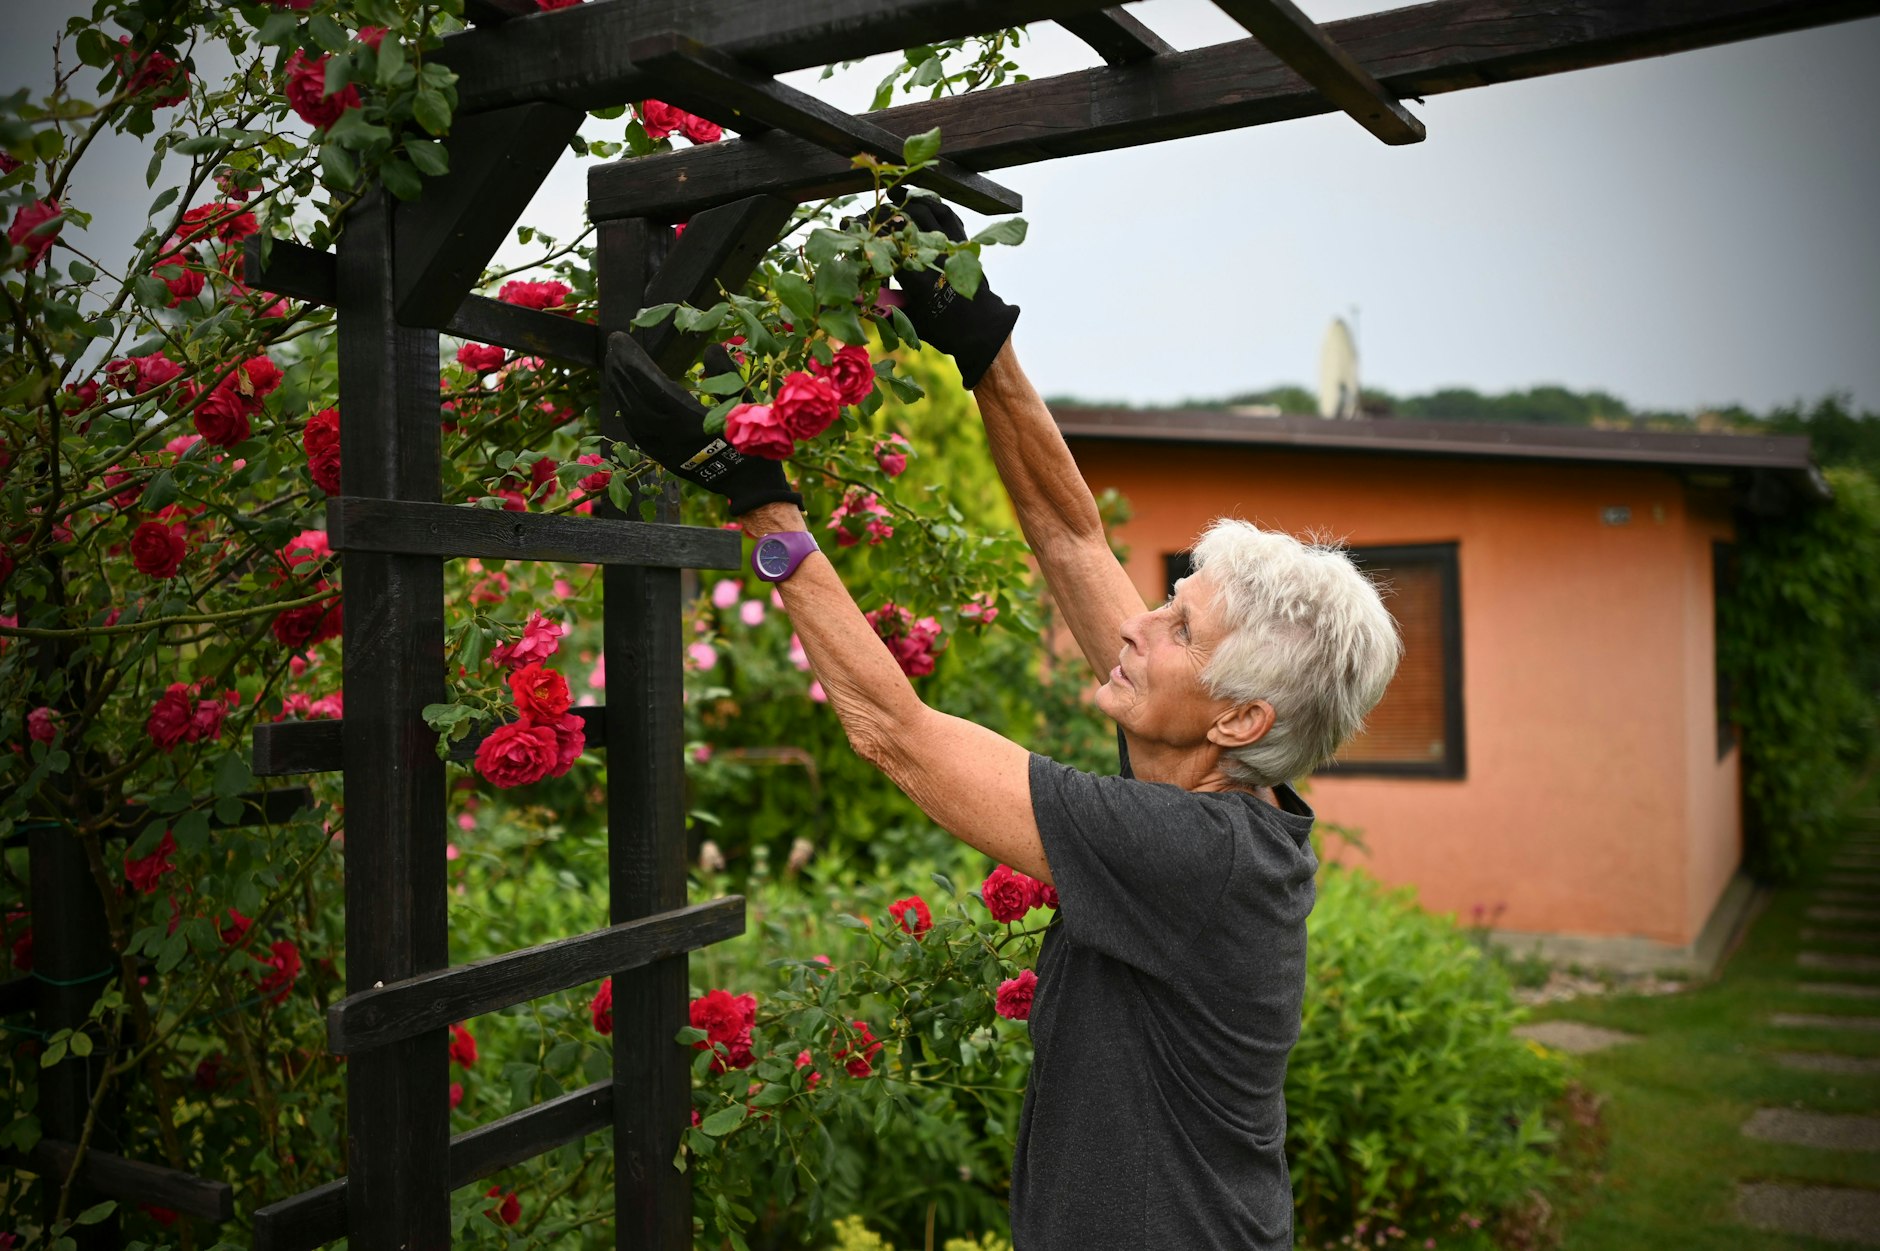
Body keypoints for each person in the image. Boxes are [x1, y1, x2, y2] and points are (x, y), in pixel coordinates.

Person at [603, 198, 1402, 1251]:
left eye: (1177, 628)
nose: (1138, 626)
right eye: (1168, 600)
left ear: (1241, 715)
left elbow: (896, 733)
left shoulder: (1193, 852)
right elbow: (1071, 537)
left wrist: (755, 498)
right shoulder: (1212, 777)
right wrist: (985, 350)